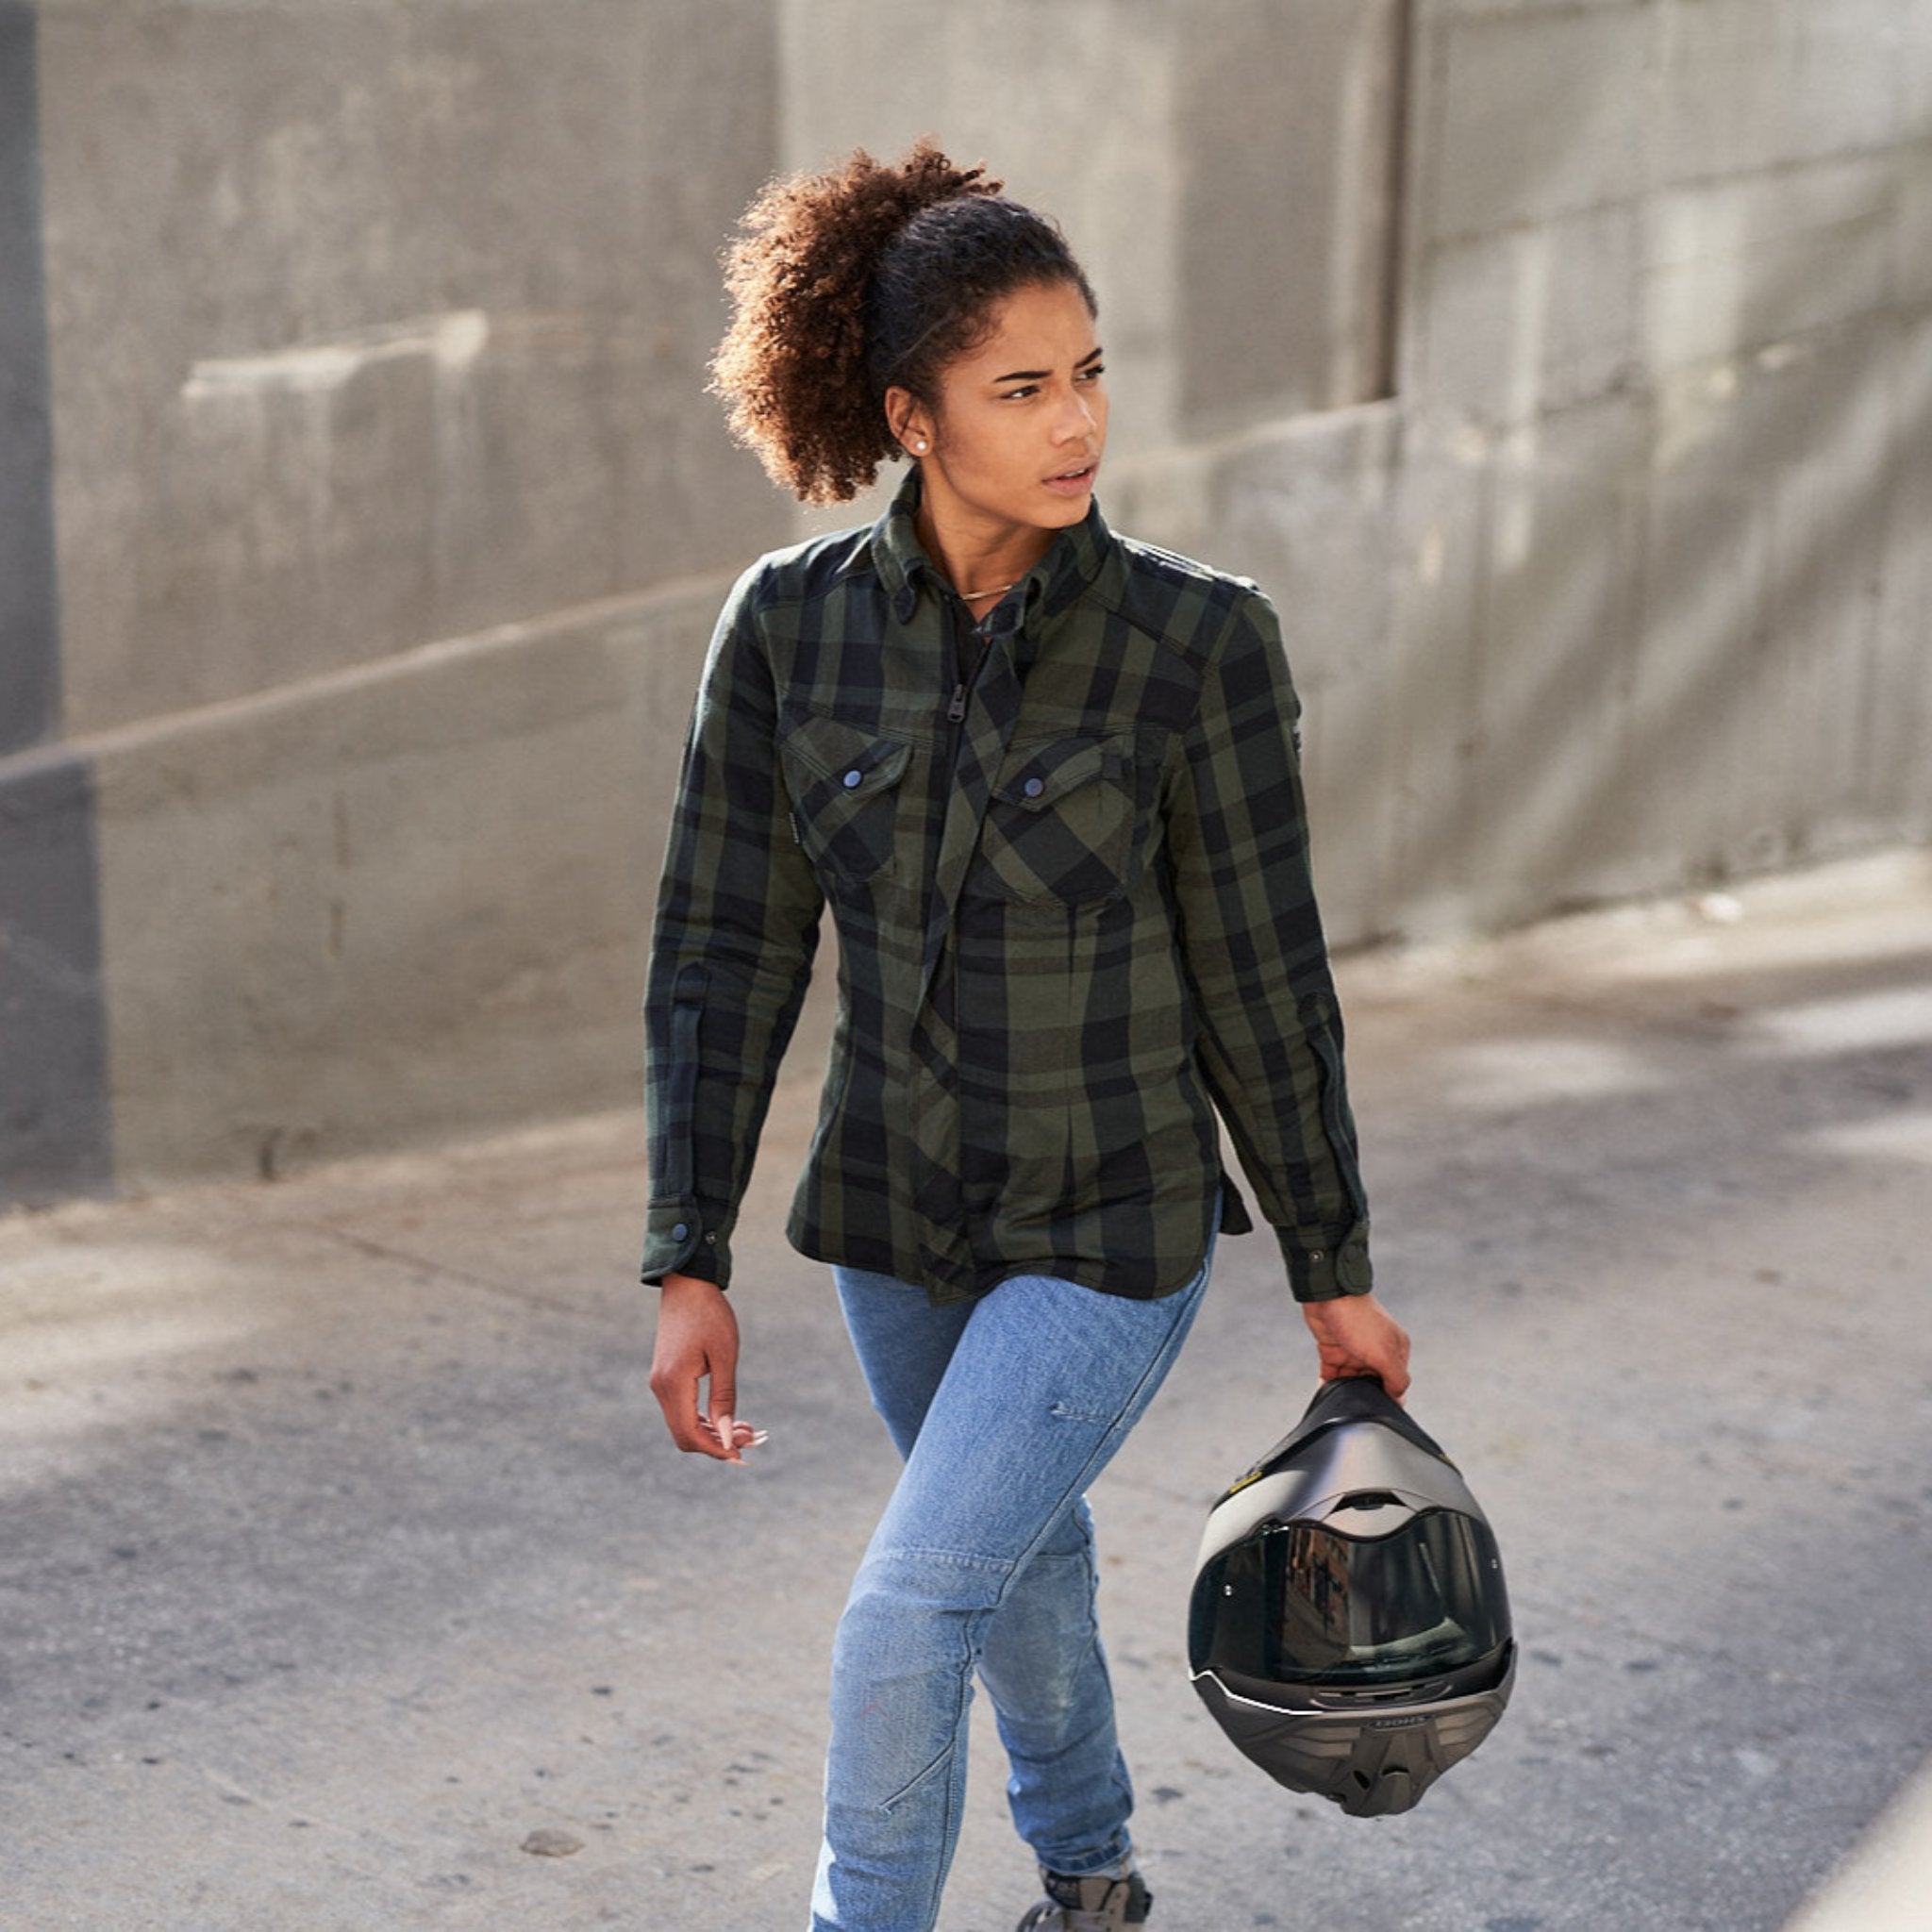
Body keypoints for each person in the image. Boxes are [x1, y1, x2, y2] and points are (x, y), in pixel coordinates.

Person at [642, 141, 1410, 1932]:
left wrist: (1330, 1260)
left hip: (1108, 1230)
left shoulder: (1195, 645)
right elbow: (722, 953)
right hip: (897, 1232)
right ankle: (1094, 1884)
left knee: (909, 1612)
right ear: (911, 416)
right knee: (1016, 1573)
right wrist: (687, 1255)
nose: (1077, 422)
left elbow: (1263, 978)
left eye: (1089, 373)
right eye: (1021, 388)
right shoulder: (788, 631)